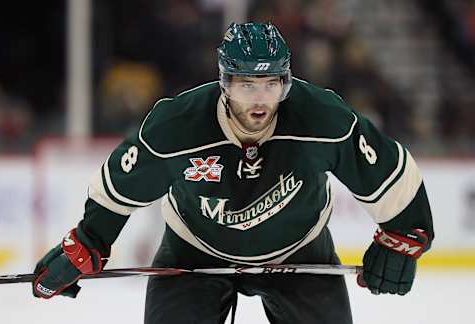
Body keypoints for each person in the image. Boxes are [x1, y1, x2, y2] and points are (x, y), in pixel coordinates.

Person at [32, 22, 434, 324]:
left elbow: (390, 173)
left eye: (271, 84)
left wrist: (403, 235)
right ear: (224, 83)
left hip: (300, 251)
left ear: (286, 82)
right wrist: (87, 242)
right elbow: (117, 189)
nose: (260, 100)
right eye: (246, 84)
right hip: (192, 255)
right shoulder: (176, 126)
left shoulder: (323, 118)